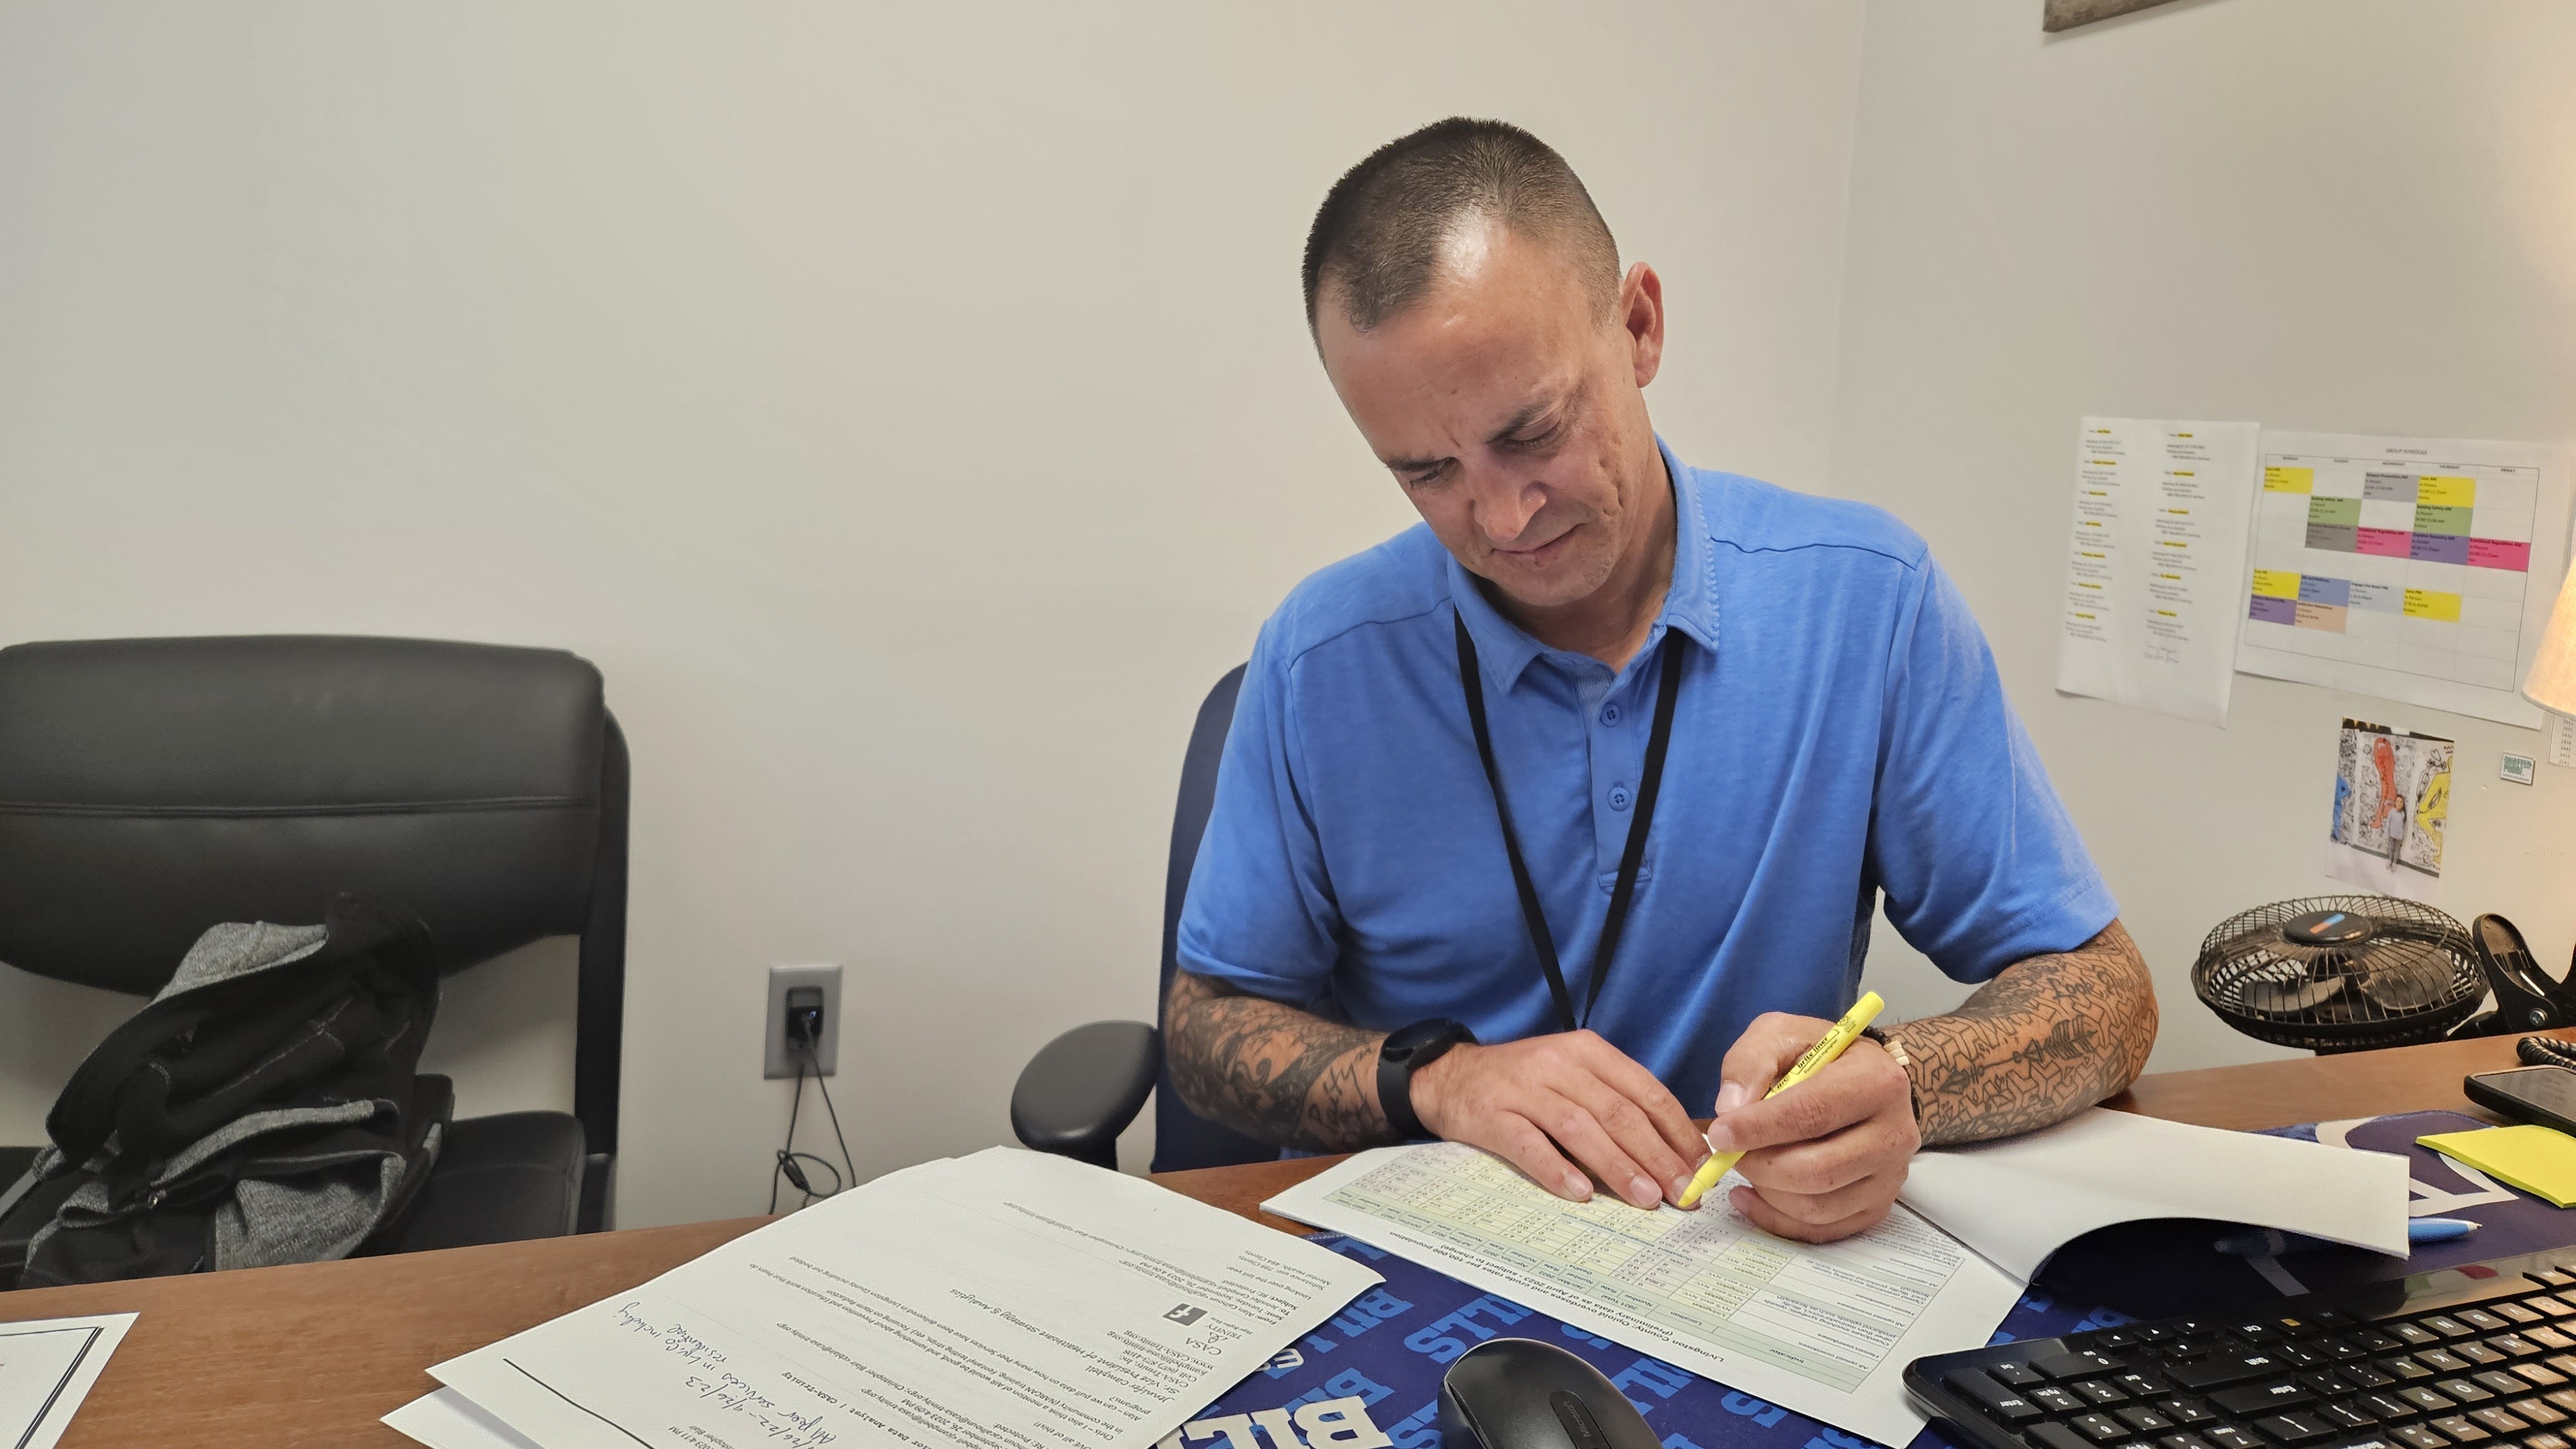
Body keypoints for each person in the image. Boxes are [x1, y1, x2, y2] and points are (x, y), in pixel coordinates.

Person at [1165, 118, 2157, 1244]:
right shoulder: (1319, 657)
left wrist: (1909, 1080)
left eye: (1532, 432)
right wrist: (1443, 1083)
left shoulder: (1864, 604)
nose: (1500, 518)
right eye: (1427, 472)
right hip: (1424, 1266)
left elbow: (2109, 994)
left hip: (1747, 1257)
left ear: (1638, 327)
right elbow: (1203, 1031)